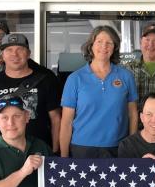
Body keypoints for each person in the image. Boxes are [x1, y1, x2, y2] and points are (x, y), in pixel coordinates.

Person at [0, 33, 62, 153]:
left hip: (39, 153)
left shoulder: (46, 81)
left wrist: (54, 152)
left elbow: (56, 120)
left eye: (20, 49)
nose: (14, 54)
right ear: (2, 55)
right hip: (0, 155)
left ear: (28, 54)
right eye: (9, 50)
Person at [59, 25, 138, 158]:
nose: (104, 46)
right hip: (82, 148)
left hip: (117, 147)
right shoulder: (75, 79)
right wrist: (64, 157)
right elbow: (66, 122)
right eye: (99, 41)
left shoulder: (126, 76)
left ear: (115, 47)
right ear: (91, 45)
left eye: (109, 43)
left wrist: (132, 146)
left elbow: (133, 115)